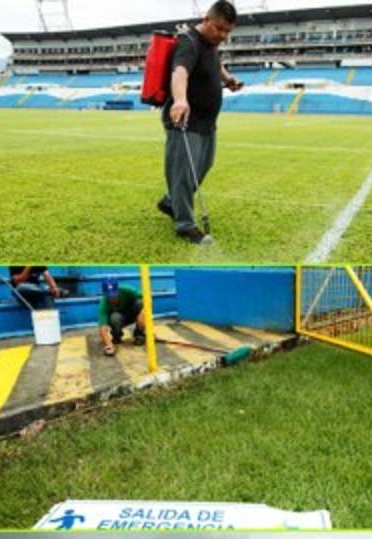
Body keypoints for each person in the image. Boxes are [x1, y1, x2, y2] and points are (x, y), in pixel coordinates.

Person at [159, 1, 244, 244]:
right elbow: (180, 72)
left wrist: (228, 80)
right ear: (206, 19)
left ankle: (170, 201)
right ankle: (185, 224)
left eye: (227, 31)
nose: (223, 35)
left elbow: (215, 65)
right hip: (186, 119)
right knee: (184, 173)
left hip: (207, 121)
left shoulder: (210, 44)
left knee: (203, 166)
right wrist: (180, 100)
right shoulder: (189, 41)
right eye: (219, 29)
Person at [98, 278, 146, 356]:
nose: (113, 298)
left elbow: (147, 299)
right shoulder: (103, 303)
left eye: (114, 295)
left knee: (140, 303)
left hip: (132, 314)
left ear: (118, 290)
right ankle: (116, 337)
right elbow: (102, 328)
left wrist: (143, 313)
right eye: (110, 296)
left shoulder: (127, 290)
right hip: (119, 319)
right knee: (114, 318)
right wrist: (109, 345)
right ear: (105, 294)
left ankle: (139, 335)